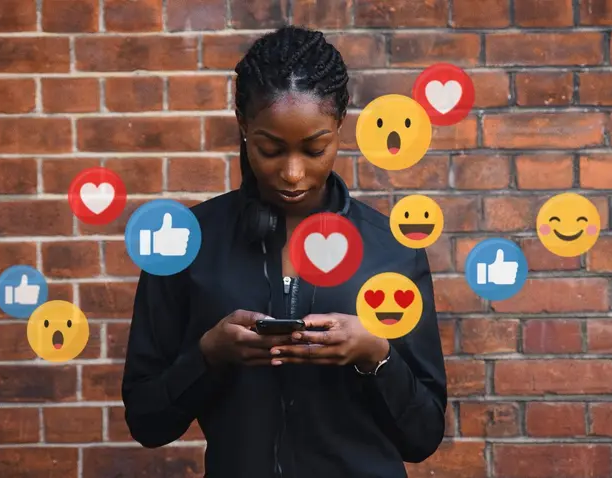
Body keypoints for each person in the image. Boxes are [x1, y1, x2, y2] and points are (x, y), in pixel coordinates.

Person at [121, 25, 447, 478]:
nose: (293, 174)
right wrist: (208, 355)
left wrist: (376, 355)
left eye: (315, 149)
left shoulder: (393, 249)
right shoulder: (183, 242)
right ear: (242, 124)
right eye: (270, 149)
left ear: (340, 125)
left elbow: (424, 434)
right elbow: (147, 420)